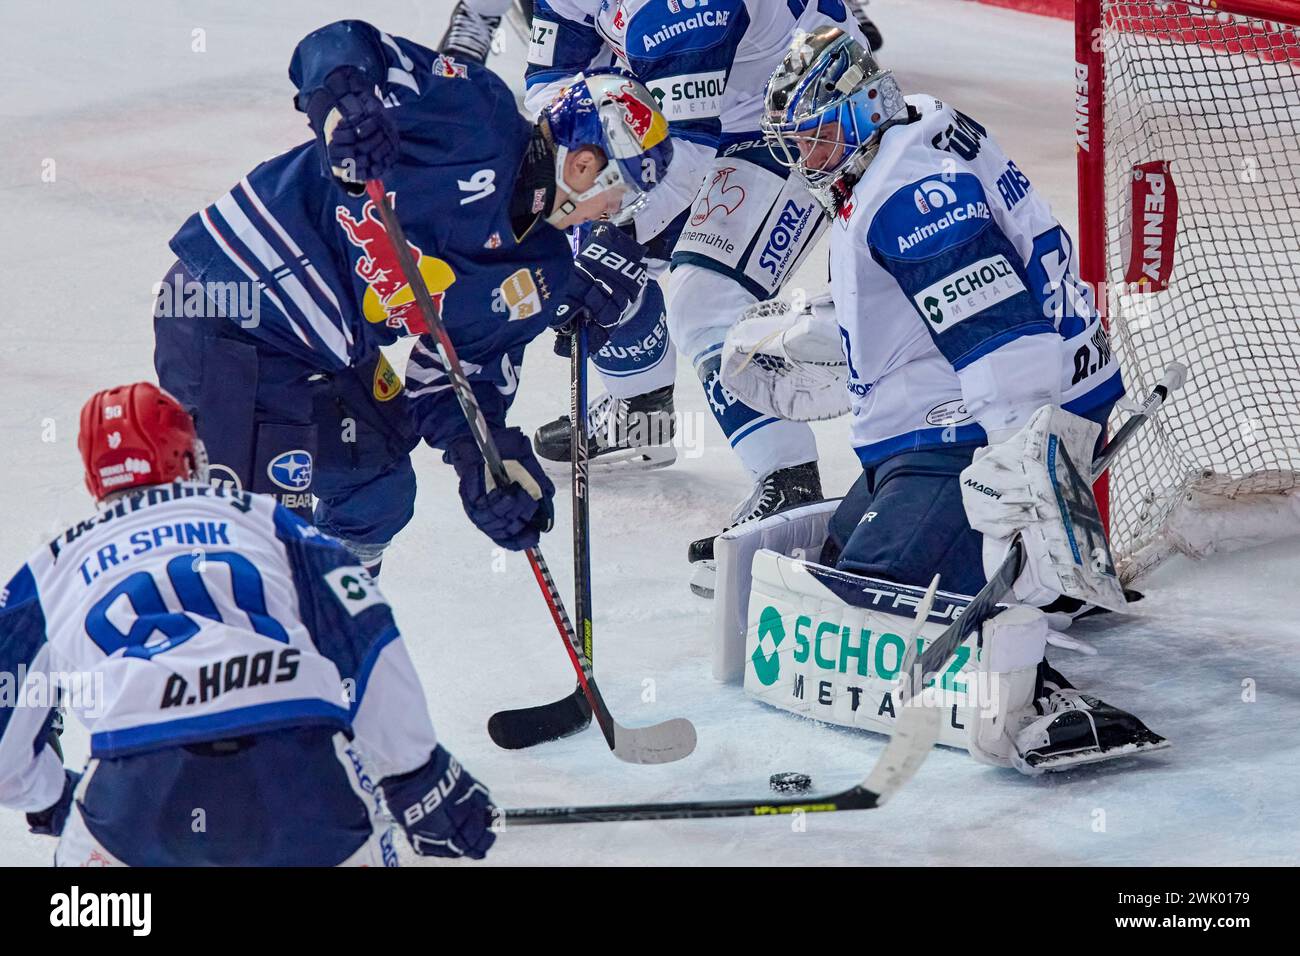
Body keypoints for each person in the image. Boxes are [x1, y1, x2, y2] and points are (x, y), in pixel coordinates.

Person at [742, 26, 1166, 771]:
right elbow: (928, 301)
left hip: (984, 429)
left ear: (862, 109)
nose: (802, 158)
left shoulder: (911, 195)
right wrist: (825, 333)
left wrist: (1023, 473)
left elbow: (1002, 338)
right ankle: (1029, 575)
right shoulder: (910, 131)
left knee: (866, 603)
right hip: (949, 423)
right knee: (839, 561)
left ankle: (1034, 684)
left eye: (812, 139)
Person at [153, 18, 671, 573]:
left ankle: (334, 628)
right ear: (585, 164)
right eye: (620, 195)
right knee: (249, 537)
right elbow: (336, 46)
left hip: (325, 350)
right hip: (230, 307)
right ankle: (217, 634)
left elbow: (457, 379)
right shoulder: (476, 112)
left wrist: (487, 465)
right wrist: (348, 105)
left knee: (377, 490)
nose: (612, 214)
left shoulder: (539, 271)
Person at [0, 383, 496, 865]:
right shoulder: (264, 520)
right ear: (190, 457)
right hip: (299, 764)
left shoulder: (50, 566)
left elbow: (4, 757)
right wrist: (417, 773)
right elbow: (365, 632)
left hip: (136, 789)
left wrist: (52, 796)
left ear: (95, 480)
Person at [520, 1, 887, 598]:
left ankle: (787, 478)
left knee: (704, 296)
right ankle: (641, 412)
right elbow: (546, 85)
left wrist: (619, 247)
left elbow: (688, 158)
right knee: (582, 217)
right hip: (679, 119)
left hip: (800, 125)